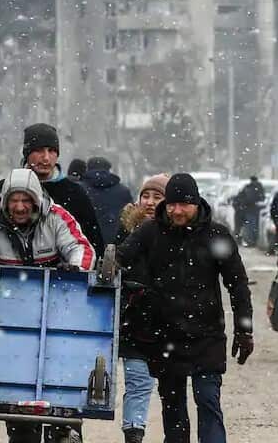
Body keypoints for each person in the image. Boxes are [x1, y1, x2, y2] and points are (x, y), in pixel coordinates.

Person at [0, 168, 98, 443]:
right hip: (9, 309)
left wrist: (76, 267)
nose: (20, 207)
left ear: (36, 200)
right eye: (14, 201)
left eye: (26, 201)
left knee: (57, 368)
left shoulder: (57, 217)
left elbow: (81, 247)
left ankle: (65, 427)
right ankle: (20, 427)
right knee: (11, 371)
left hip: (54, 306)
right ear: (5, 200)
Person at [116, 174, 253, 443]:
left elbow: (237, 285)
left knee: (208, 401)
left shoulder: (217, 235)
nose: (176, 211)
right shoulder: (150, 232)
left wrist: (244, 330)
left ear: (196, 203)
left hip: (207, 336)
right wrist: (109, 265)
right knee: (173, 410)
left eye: (184, 205)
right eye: (171, 205)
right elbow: (121, 257)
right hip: (166, 337)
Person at [0, 124, 105, 255]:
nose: (46, 158)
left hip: (61, 275)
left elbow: (92, 244)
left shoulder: (74, 193)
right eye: (39, 150)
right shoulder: (3, 189)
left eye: (51, 151)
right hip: (7, 272)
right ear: (27, 154)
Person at [114, 174, 168, 443]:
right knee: (138, 381)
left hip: (161, 322)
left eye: (157, 197)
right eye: (145, 196)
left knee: (158, 385)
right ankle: (133, 433)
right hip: (130, 320)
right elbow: (111, 264)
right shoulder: (126, 231)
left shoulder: (176, 236)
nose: (149, 202)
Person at [85, 156, 134, 244]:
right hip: (117, 243)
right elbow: (131, 218)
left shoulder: (79, 189)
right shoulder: (123, 191)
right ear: (108, 169)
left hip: (86, 244)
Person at [232, 175, 266, 246]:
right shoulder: (257, 188)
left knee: (248, 227)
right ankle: (251, 241)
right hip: (251, 210)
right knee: (251, 227)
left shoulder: (249, 187)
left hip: (249, 210)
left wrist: (241, 204)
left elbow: (247, 198)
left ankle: (249, 241)